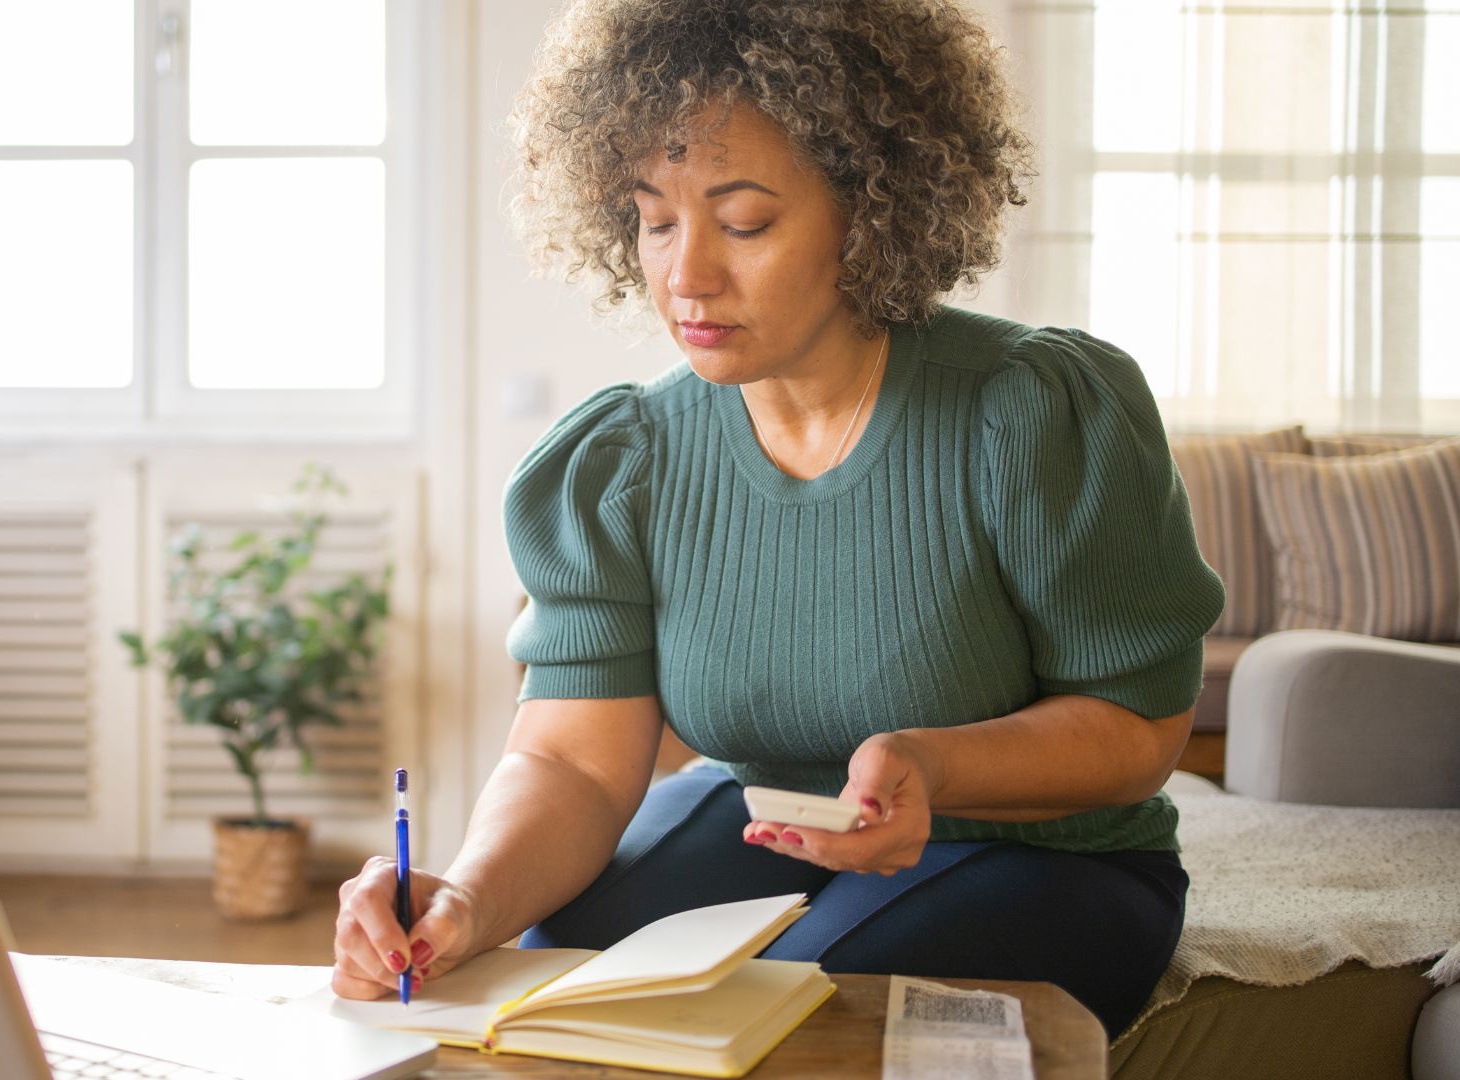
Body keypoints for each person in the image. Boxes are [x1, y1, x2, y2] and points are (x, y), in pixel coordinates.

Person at [331, 0, 1224, 1037]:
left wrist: (936, 768)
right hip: (768, 823)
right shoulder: (622, 464)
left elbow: (1138, 727)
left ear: (872, 207)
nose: (686, 276)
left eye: (744, 221)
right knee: (547, 966)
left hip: (1049, 855)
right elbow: (572, 760)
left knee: (791, 1016)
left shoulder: (1030, 413)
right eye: (655, 219)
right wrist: (468, 898)